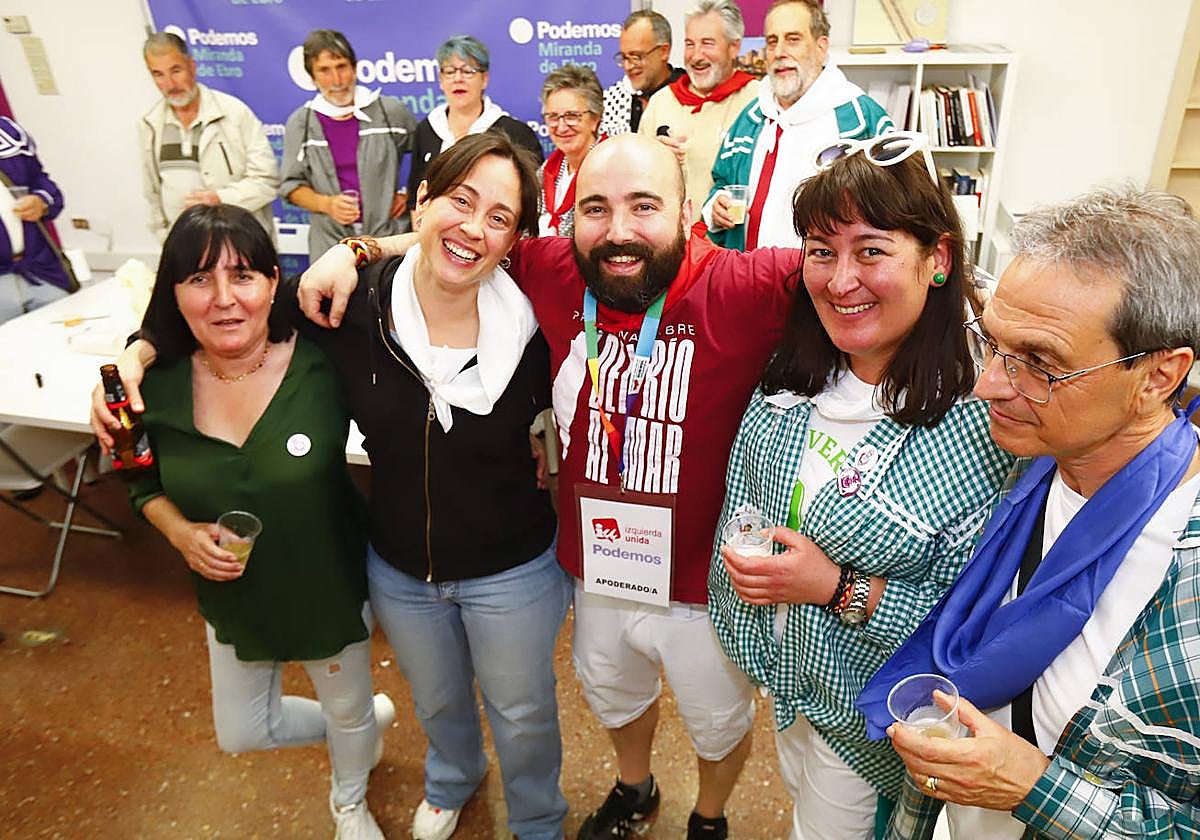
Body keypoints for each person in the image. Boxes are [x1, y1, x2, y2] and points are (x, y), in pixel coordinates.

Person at [295, 132, 802, 840]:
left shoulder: (741, 285)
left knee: (717, 725)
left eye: (644, 206)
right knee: (614, 697)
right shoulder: (560, 269)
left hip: (702, 587)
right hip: (598, 566)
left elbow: (854, 270)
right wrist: (354, 250)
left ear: (689, 212)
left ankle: (710, 816)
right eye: (595, 208)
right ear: (568, 221)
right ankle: (634, 789)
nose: (618, 230)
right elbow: (459, 234)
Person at [96, 134, 568, 840]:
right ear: (423, 203)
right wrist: (129, 360)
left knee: (524, 711)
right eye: (460, 201)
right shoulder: (353, 308)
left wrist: (551, 429)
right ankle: (453, 775)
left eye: (499, 217)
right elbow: (220, 315)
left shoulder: (539, 317)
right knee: (436, 701)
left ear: (516, 239)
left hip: (513, 564)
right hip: (402, 565)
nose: (475, 227)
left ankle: (537, 818)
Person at [857, 186, 1200, 839]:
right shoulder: (1034, 460)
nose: (988, 384)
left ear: (1158, 376)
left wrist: (1033, 787)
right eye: (991, 343)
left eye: (1040, 364)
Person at [707, 142, 1013, 839]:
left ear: (938, 258)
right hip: (791, 687)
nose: (840, 280)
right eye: (820, 250)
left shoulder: (983, 420)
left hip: (875, 722)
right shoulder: (796, 370)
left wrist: (835, 586)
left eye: (871, 250)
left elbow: (975, 625)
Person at [101, 204, 389, 840]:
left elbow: (432, 251)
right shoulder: (153, 387)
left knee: (346, 708)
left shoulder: (320, 355)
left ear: (273, 283)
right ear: (172, 294)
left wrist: (354, 251)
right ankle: (367, 721)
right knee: (243, 733)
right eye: (200, 280)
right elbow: (138, 483)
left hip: (328, 587)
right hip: (233, 590)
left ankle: (350, 799)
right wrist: (179, 533)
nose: (225, 300)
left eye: (244, 276)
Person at [704, 0, 894, 250]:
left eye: (793, 39)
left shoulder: (860, 119)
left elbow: (894, 205)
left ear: (821, 47)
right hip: (748, 277)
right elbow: (722, 182)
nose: (780, 52)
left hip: (825, 283)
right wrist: (716, 207)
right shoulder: (751, 117)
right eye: (772, 41)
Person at [280, 29, 416, 261]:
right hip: (330, 246)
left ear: (354, 68)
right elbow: (291, 187)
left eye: (341, 66)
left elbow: (429, 155)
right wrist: (327, 204)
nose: (336, 80)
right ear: (312, 78)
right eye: (324, 70)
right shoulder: (301, 123)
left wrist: (409, 195)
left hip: (387, 240)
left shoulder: (390, 112)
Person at [140, 33, 279, 240]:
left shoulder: (234, 113)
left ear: (192, 66)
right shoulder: (150, 123)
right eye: (158, 74)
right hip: (186, 249)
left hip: (241, 243)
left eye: (176, 71)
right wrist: (165, 238)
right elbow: (152, 195)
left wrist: (219, 199)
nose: (170, 84)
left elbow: (267, 182)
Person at [639, 0, 758, 209]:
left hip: (733, 236)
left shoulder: (758, 100)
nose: (696, 56)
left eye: (707, 43)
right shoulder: (661, 101)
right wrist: (656, 159)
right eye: (690, 44)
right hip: (671, 236)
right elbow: (636, 177)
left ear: (734, 47)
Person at [406, 35, 543, 201]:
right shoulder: (426, 129)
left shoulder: (516, 133)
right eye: (449, 72)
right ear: (441, 80)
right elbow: (416, 199)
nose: (458, 79)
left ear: (484, 79)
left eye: (467, 71)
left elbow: (533, 198)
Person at [0, 116, 74, 324]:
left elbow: (42, 182)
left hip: (41, 271)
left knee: (70, 342)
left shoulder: (8, 131)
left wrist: (41, 201)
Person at [537, 64, 605, 238]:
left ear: (595, 119)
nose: (561, 126)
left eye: (572, 116)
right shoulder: (544, 172)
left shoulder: (610, 168)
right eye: (553, 117)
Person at [599, 10, 683, 137]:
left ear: (664, 52)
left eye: (636, 56)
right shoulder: (611, 101)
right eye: (624, 57)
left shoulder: (690, 92)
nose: (628, 66)